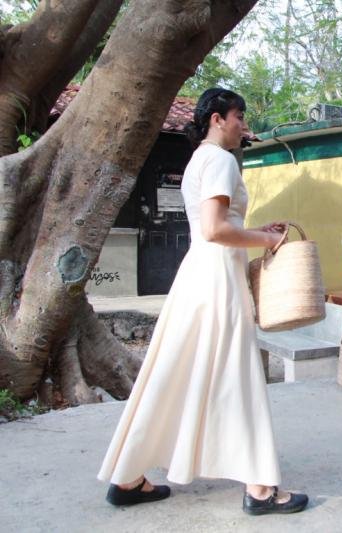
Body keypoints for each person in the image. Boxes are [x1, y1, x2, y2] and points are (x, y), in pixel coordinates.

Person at [98, 88, 308, 515]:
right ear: (217, 118)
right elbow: (214, 229)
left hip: (199, 275)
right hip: (217, 281)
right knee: (239, 373)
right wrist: (268, 239)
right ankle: (261, 489)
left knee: (171, 372)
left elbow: (218, 224)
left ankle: (126, 477)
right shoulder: (219, 160)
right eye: (239, 116)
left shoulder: (199, 159)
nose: (244, 125)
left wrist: (255, 229)